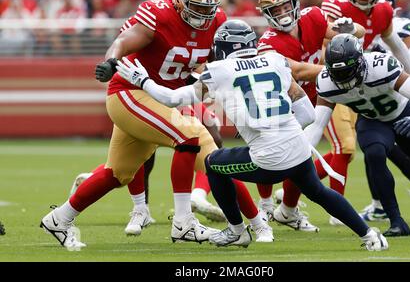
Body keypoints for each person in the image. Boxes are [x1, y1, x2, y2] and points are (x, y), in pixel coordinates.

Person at [116, 19, 389, 251]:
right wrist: (281, 128)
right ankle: (369, 235)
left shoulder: (219, 71)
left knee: (213, 164)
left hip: (267, 159)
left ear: (221, 48)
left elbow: (172, 98)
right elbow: (307, 113)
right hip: (297, 147)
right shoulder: (275, 61)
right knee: (317, 191)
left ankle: (236, 230)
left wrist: (143, 81)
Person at [40, 0, 229, 250]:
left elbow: (211, 65)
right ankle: (184, 223)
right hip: (131, 93)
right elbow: (123, 42)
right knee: (188, 136)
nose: (202, 14)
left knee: (117, 173)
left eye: (207, 8)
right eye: (196, 6)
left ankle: (59, 219)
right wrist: (110, 61)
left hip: (162, 98)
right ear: (178, 1)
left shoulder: (216, 22)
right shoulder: (159, 13)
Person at [320, 0, 410, 233]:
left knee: (373, 146)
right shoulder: (334, 8)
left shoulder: (384, 13)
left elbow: (403, 49)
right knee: (366, 147)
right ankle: (388, 206)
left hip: (372, 78)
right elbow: (323, 44)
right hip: (335, 76)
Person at [304, 33, 410, 237]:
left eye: (348, 70)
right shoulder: (327, 81)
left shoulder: (380, 66)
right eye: (339, 73)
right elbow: (318, 123)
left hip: (404, 115)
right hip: (372, 121)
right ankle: (397, 221)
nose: (344, 79)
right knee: (374, 154)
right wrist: (302, 151)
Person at [255, 0, 365, 228]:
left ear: (295, 4)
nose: (283, 14)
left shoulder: (313, 17)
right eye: (276, 10)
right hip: (283, 103)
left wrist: (353, 29)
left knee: (304, 156)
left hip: (316, 97)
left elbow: (347, 36)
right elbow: (299, 70)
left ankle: (288, 210)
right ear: (267, 14)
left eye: (286, 7)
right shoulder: (267, 44)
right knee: (275, 157)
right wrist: (334, 71)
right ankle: (265, 206)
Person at [360, 0, 410, 222]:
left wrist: (386, 60)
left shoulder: (401, 25)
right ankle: (379, 205)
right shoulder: (362, 29)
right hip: (379, 98)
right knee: (372, 149)